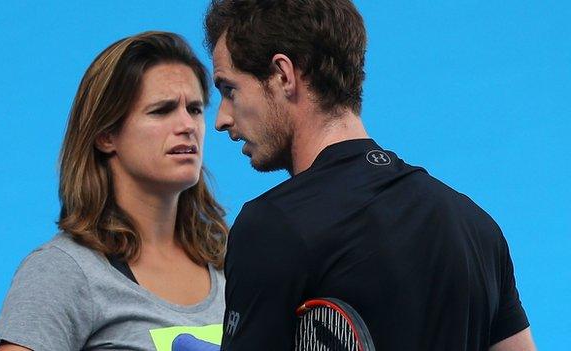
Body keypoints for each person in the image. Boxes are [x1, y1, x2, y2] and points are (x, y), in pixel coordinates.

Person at [204, 0, 536, 350]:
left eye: (229, 90)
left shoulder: (271, 227)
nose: (222, 119)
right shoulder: (478, 228)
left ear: (283, 75)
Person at [0, 31, 228, 351]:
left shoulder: (230, 262)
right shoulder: (62, 271)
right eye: (162, 110)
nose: (187, 125)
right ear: (106, 135)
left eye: (195, 109)